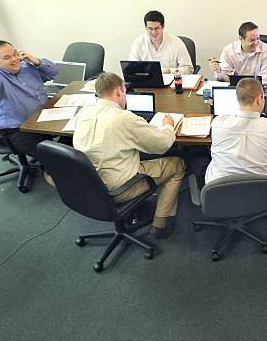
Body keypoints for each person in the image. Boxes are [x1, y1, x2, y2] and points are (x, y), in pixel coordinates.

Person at [73, 73, 185, 239]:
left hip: (90, 185)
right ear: (119, 91)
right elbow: (162, 145)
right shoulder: (123, 118)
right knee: (178, 165)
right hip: (120, 188)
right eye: (124, 92)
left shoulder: (83, 113)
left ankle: (133, 211)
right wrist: (168, 127)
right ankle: (160, 225)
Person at [0, 40, 58, 160]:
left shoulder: (25, 66)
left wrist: (35, 60)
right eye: (7, 57)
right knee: (56, 159)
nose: (14, 59)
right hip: (17, 130)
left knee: (77, 134)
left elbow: (53, 72)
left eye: (15, 54)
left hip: (41, 118)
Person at [209, 22, 267, 86]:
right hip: (236, 88)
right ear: (241, 39)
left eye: (257, 38)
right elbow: (226, 79)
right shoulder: (229, 50)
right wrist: (219, 71)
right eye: (252, 40)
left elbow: (265, 80)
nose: (256, 43)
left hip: (260, 88)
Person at [128, 10, 193, 74]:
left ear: (163, 26)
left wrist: (168, 71)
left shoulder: (176, 43)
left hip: (172, 81)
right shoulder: (138, 43)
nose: (153, 32)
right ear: (146, 28)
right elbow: (132, 68)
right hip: (147, 82)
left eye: (156, 28)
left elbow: (188, 69)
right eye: (150, 28)